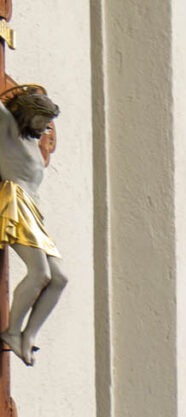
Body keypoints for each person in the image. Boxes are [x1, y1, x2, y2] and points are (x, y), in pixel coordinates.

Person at [0, 80, 68, 367]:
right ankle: (13, 332)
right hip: (15, 203)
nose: (44, 128)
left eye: (48, 124)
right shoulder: (9, 132)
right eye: (41, 121)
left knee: (59, 279)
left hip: (33, 210)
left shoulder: (30, 140)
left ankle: (29, 334)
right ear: (27, 113)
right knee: (39, 274)